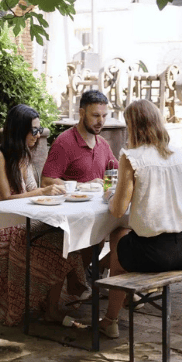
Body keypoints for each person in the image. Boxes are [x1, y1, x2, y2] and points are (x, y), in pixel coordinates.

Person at [98, 100, 182, 339]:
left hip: (156, 254)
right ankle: (124, 299)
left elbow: (118, 210)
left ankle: (110, 319)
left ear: (132, 126)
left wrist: (109, 195)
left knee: (117, 237)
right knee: (125, 241)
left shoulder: (131, 157)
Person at [0, 104, 88, 327]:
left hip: (25, 220)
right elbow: (3, 200)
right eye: (35, 130)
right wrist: (41, 192)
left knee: (65, 239)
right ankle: (52, 302)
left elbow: (32, 191)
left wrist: (52, 192)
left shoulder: (24, 157)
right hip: (2, 224)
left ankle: (52, 305)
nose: (38, 135)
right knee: (55, 244)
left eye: (40, 130)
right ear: (19, 130)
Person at [41, 90, 119, 275]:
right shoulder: (64, 143)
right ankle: (85, 278)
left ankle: (99, 272)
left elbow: (118, 172)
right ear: (82, 113)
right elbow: (46, 180)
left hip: (100, 217)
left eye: (104, 116)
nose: (101, 121)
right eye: (95, 116)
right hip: (73, 221)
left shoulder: (103, 144)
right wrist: (81, 186)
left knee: (128, 235)